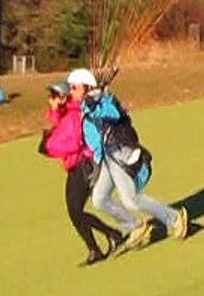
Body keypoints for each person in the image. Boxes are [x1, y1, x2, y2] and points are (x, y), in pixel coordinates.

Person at [69, 68, 188, 247]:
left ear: (85, 87)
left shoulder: (102, 99)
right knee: (100, 199)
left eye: (74, 88)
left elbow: (116, 113)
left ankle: (175, 218)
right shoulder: (86, 105)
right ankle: (136, 226)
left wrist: (97, 104)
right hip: (107, 158)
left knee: (130, 199)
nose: (71, 92)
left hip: (118, 151)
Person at [39, 80, 124, 266]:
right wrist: (54, 112)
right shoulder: (66, 113)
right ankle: (104, 241)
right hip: (76, 166)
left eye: (53, 96)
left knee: (75, 211)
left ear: (62, 98)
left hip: (82, 166)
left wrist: (50, 147)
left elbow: (73, 142)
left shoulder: (73, 114)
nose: (50, 100)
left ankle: (108, 238)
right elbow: (59, 126)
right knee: (75, 211)